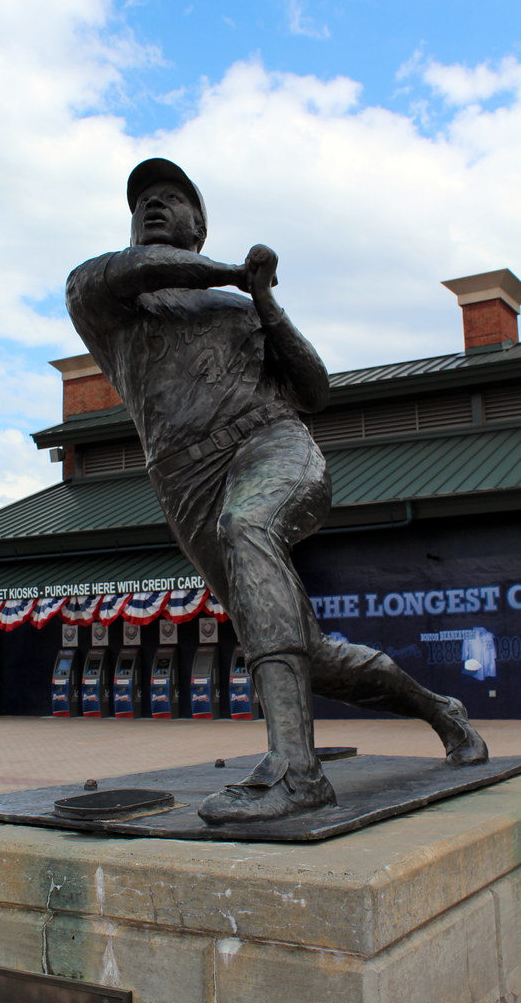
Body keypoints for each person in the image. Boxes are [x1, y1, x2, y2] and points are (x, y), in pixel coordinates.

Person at [66, 157, 488, 824]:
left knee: (248, 527)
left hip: (270, 443)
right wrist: (238, 271)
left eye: (171, 197)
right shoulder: (100, 293)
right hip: (185, 481)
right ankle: (443, 712)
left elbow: (313, 390)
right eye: (143, 198)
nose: (154, 204)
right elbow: (139, 268)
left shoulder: (238, 309)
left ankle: (295, 768)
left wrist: (264, 301)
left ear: (196, 223)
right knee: (310, 653)